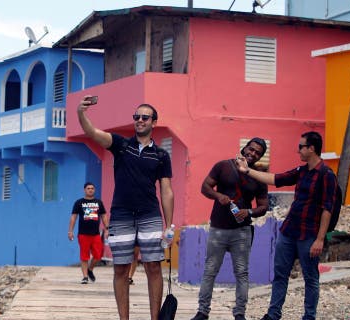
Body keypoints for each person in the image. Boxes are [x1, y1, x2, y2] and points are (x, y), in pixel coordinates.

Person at [77, 96, 174, 320]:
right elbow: (93, 133)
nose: (139, 120)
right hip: (121, 216)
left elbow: (166, 190)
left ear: (153, 122)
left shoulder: (161, 155)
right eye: (136, 117)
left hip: (150, 214)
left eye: (144, 117)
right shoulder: (121, 145)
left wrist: (169, 225)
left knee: (153, 268)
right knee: (120, 269)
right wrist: (81, 113)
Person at [235, 131, 338, 320]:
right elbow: (276, 179)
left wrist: (320, 239)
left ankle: (309, 316)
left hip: (309, 234)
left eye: (301, 147)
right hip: (289, 231)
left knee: (311, 278)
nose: (298, 150)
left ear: (311, 149)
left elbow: (327, 209)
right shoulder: (302, 171)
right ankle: (273, 315)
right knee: (280, 275)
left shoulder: (327, 175)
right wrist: (247, 170)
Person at [192, 138, 269, 320]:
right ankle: (202, 312)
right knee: (210, 270)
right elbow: (205, 187)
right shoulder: (223, 166)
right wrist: (218, 195)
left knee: (242, 273)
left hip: (242, 231)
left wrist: (248, 212)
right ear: (244, 148)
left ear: (260, 157)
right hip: (218, 227)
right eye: (251, 149)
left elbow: (263, 206)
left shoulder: (258, 177)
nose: (252, 153)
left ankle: (240, 313)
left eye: (257, 152)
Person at [68, 182, 109, 284]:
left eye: (92, 188)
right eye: (88, 188)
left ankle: (90, 269)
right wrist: (70, 231)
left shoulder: (99, 202)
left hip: (95, 234)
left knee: (98, 255)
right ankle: (85, 277)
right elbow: (73, 217)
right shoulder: (79, 203)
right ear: (84, 190)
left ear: (94, 190)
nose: (90, 190)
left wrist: (107, 229)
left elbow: (104, 216)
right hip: (83, 234)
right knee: (84, 256)